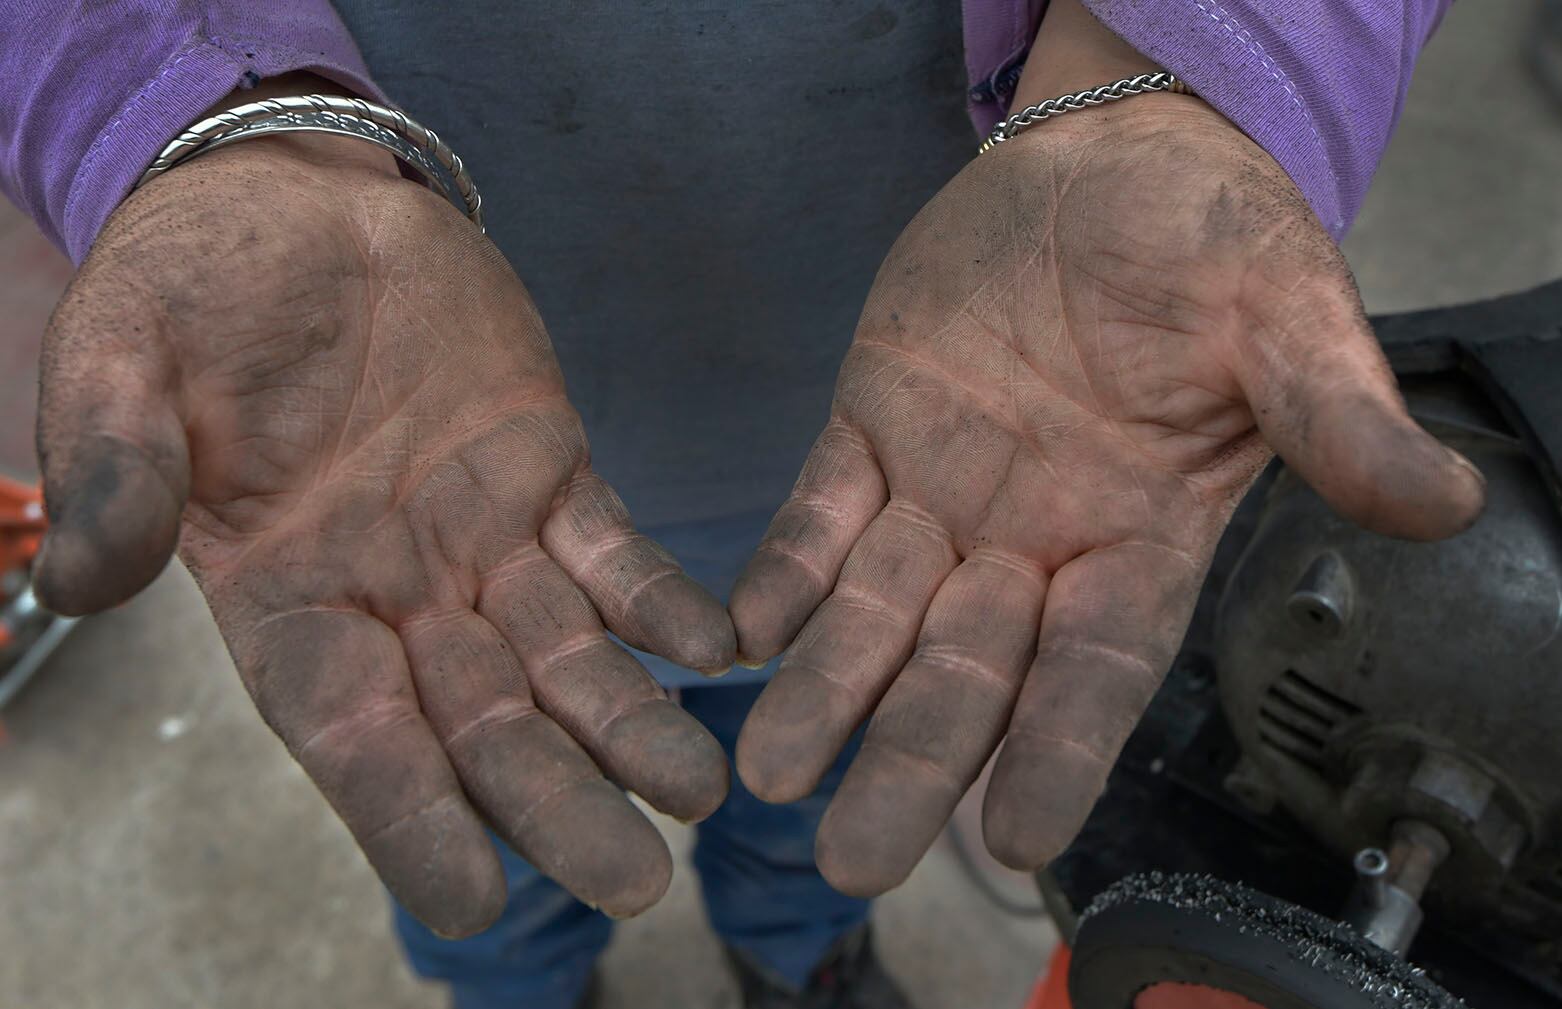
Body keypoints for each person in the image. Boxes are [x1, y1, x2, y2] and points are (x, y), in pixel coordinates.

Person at [0, 1, 1484, 1006]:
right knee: (478, 818)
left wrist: (1201, 67)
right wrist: (173, 101)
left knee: (826, 763)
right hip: (390, 454)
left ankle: (804, 958)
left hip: (950, 402)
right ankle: (523, 987)